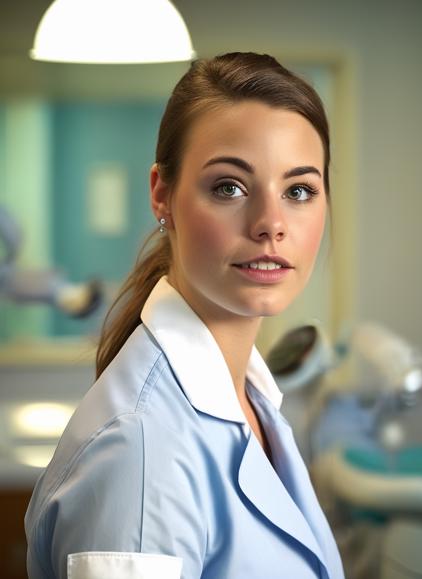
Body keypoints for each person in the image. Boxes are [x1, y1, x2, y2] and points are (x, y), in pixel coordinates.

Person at [25, 52, 345, 579]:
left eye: (299, 191)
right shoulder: (141, 456)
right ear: (162, 194)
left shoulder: (251, 399)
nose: (271, 224)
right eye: (230, 187)